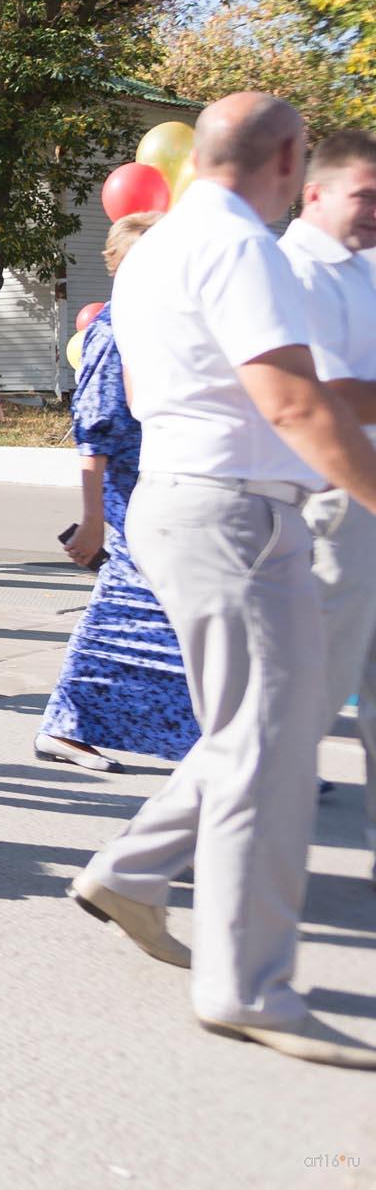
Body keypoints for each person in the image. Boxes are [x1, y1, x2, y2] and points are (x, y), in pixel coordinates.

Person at [71, 92, 376, 1069]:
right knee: (269, 752)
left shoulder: (163, 240)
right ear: (291, 158)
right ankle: (248, 986)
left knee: (253, 734)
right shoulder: (243, 244)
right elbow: (290, 398)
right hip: (238, 512)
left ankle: (132, 873)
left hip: (193, 500)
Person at [36, 213, 195, 773]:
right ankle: (66, 726)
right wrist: (92, 518)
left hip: (160, 488)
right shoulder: (113, 328)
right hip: (129, 498)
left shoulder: (155, 323)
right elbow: (93, 431)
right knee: (125, 610)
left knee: (153, 615)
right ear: (124, 264)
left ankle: (203, 744)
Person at [277, 128, 376, 884]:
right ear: (316, 191)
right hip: (339, 505)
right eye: (365, 196)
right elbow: (327, 395)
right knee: (302, 704)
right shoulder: (295, 271)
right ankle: (159, 856)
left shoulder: (361, 270)